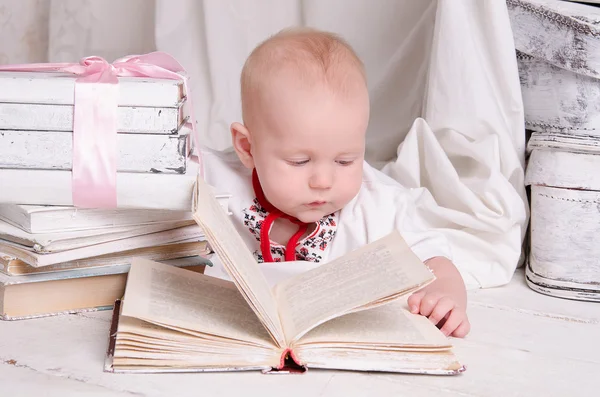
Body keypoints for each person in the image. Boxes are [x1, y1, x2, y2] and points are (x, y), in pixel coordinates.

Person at [200, 27, 470, 337]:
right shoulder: (215, 180)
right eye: (299, 161)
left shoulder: (378, 204)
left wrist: (446, 297)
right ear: (248, 148)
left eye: (345, 160)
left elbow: (434, 259)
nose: (323, 181)